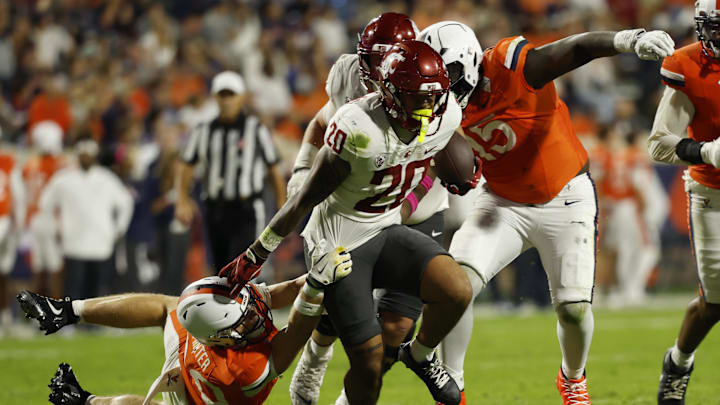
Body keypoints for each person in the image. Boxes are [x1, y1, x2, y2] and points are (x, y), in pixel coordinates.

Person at [420, 21, 675, 405]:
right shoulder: (436, 109)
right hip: (502, 203)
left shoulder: (509, 65)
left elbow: (574, 49)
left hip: (566, 195)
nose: (443, 87)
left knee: (573, 310)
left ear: (469, 60)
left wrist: (627, 39)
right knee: (456, 287)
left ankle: (573, 378)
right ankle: (451, 387)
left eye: (449, 73)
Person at [220, 41, 472, 405]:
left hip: (386, 227)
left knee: (457, 290)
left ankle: (419, 355)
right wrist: (256, 253)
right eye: (419, 97)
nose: (429, 107)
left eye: (434, 96)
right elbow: (304, 199)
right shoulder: (357, 127)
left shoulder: (444, 114)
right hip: (338, 243)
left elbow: (434, 161)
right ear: (391, 94)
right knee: (368, 362)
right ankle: (316, 359)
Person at [285, 13, 475, 405]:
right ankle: (314, 359)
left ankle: (392, 372)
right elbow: (320, 122)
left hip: (414, 209)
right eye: (373, 60)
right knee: (341, 301)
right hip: (356, 210)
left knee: (396, 327)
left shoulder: (426, 85)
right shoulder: (351, 78)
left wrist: (399, 208)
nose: (377, 72)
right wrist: (303, 169)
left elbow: (429, 168)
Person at [17, 271, 347, 405]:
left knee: (170, 306)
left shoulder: (209, 320)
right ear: (222, 339)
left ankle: (66, 311)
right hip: (204, 392)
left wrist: (312, 275)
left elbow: (278, 293)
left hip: (191, 348)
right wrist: (318, 283)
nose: (256, 318)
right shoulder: (248, 370)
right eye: (244, 321)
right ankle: (85, 401)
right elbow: (301, 324)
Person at [647, 1, 720, 403]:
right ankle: (678, 362)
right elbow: (659, 145)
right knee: (716, 302)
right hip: (713, 193)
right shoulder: (688, 65)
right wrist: (708, 152)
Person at [176, 70, 287, 270]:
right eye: (222, 95)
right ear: (215, 97)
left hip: (246, 209)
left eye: (231, 95)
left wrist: (281, 203)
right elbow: (187, 164)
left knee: (242, 266)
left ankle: (243, 301)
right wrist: (182, 199)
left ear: (241, 97)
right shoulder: (203, 131)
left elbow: (273, 168)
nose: (226, 101)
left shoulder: (256, 129)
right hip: (214, 208)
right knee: (219, 268)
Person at [39, 135, 133, 299]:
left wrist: (119, 228)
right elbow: (45, 202)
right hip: (74, 241)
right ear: (78, 156)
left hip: (100, 241)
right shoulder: (64, 178)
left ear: (94, 157)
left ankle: (92, 322)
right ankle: (71, 320)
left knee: (96, 287)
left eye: (89, 155)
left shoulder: (106, 178)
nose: (86, 158)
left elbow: (126, 202)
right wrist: (54, 227)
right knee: (73, 285)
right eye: (83, 155)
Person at [23, 121, 65, 298]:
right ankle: (56, 308)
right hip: (51, 219)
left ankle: (36, 311)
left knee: (38, 268)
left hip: (33, 220)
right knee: (55, 268)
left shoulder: (29, 165)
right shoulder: (58, 166)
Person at [0, 150, 25, 331]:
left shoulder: (8, 161)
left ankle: (5, 314)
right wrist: (20, 220)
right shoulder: (8, 161)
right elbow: (18, 194)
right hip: (5, 220)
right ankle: (5, 315)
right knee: (3, 271)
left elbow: (17, 194)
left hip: (4, 220)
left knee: (4, 270)